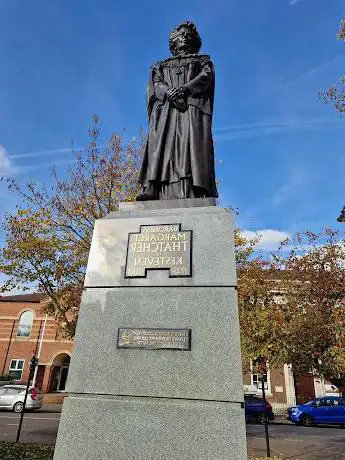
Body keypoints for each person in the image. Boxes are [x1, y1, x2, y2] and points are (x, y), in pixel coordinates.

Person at [136, 21, 218, 201]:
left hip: (190, 109)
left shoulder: (202, 61)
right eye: (182, 35)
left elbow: (205, 78)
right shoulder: (160, 65)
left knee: (188, 148)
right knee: (160, 147)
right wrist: (169, 92)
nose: (185, 38)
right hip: (165, 110)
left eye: (189, 36)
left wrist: (184, 89)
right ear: (174, 40)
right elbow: (156, 83)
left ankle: (190, 188)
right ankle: (153, 187)